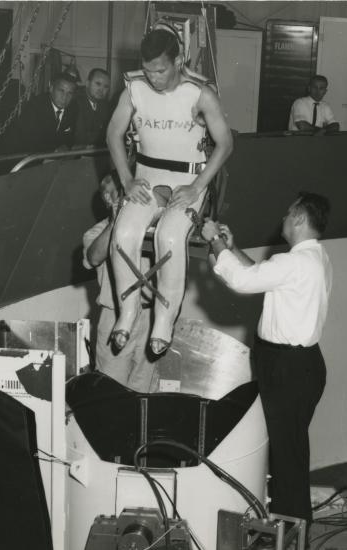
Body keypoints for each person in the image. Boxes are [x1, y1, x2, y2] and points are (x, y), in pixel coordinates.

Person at [202, 192, 332, 532]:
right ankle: (288, 529)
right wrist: (231, 249)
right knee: (288, 453)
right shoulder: (312, 259)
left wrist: (214, 239)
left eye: (290, 214)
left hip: (288, 368)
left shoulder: (296, 262)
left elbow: (243, 281)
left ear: (301, 220)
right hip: (297, 366)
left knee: (287, 458)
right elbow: (261, 274)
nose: (284, 219)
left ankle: (290, 534)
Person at [106, 27, 233, 355]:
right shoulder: (134, 88)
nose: (153, 78)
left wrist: (197, 187)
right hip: (147, 177)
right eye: (148, 70)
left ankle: (164, 318)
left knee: (170, 237)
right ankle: (128, 311)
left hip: (188, 183)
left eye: (160, 70)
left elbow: (225, 143)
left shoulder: (200, 93)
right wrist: (126, 180)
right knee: (123, 234)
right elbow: (113, 134)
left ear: (178, 61)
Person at [82, 172, 155, 392]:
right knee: (110, 390)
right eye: (122, 192)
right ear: (107, 198)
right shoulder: (95, 232)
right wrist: (116, 222)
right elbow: (93, 257)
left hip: (149, 317)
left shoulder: (148, 229)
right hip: (114, 317)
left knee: (145, 390)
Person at [5, 72, 78, 154]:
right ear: (51, 88)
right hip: (26, 158)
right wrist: (54, 151)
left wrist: (66, 146)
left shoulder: (73, 109)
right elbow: (28, 141)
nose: (65, 97)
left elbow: (71, 138)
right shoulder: (35, 107)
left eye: (69, 93)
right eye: (61, 91)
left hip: (55, 160)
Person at [74, 68, 112, 148]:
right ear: (87, 83)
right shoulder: (75, 101)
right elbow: (81, 138)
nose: (101, 90)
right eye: (98, 84)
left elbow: (111, 132)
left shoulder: (104, 105)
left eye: (106, 86)